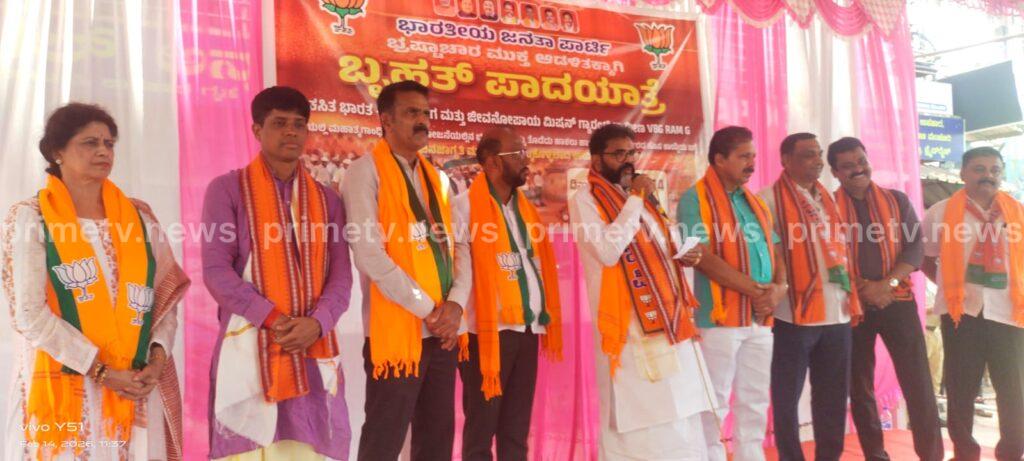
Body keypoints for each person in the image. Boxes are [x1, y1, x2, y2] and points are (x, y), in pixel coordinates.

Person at [2, 103, 187, 460]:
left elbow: (163, 300)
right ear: (57, 152)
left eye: (109, 143)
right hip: (67, 381)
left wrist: (157, 359)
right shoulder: (31, 217)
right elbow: (28, 314)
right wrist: (100, 370)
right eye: (90, 142)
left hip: (134, 382)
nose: (103, 151)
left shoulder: (139, 217)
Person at [203, 86, 352, 460]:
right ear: (257, 130)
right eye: (279, 123)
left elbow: (341, 278)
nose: (291, 132)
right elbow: (216, 271)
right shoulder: (227, 190)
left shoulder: (327, 201)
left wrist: (317, 324)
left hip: (312, 345)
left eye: (299, 124)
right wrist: (275, 320)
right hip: (251, 341)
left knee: (307, 447)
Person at [342, 80, 471, 461]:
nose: (423, 121)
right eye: (412, 112)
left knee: (436, 440)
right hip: (398, 332)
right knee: (384, 439)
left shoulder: (440, 180)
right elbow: (369, 254)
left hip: (442, 333)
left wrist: (456, 305)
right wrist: (430, 310)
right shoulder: (364, 173)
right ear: (386, 120)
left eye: (426, 113)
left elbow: (461, 246)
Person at [569, 123, 715, 460]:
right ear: (596, 159)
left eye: (631, 152)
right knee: (639, 421)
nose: (627, 160)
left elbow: (663, 244)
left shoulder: (641, 196)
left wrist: (684, 253)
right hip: (627, 329)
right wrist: (635, 199)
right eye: (618, 153)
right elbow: (608, 251)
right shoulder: (585, 199)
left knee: (680, 411)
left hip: (668, 320)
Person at [829, 137, 943, 461]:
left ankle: (931, 455)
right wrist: (863, 288)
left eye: (861, 161)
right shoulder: (826, 207)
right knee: (859, 386)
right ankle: (875, 455)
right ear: (835, 172)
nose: (858, 169)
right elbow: (826, 255)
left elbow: (915, 249)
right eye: (848, 166)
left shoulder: (897, 200)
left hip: (898, 300)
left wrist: (886, 284)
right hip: (852, 305)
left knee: (918, 382)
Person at [677, 126, 786, 461]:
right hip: (719, 318)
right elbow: (701, 256)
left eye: (753, 156)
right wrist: (756, 291)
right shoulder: (695, 199)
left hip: (760, 318)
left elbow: (775, 250)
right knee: (714, 401)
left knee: (755, 401)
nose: (751, 163)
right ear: (720, 159)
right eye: (743, 157)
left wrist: (778, 290)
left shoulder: (754, 202)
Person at [454, 126, 563, 460]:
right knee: (481, 431)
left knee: (516, 431)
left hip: (527, 329)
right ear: (492, 163)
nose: (526, 160)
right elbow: (458, 272)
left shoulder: (525, 210)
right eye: (518, 154)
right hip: (485, 334)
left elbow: (534, 265)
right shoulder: (463, 207)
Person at [758, 132, 862, 461]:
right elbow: (768, 254)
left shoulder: (829, 197)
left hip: (837, 312)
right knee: (786, 398)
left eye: (818, 154)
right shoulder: (767, 200)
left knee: (833, 397)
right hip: (793, 315)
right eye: (807, 155)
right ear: (785, 160)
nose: (817, 161)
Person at [922, 146, 1024, 461]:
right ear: (963, 173)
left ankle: (1011, 453)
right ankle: (965, 453)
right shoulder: (940, 213)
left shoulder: (1019, 212)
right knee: (960, 390)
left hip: (1009, 315)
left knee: (1014, 391)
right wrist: (950, 287)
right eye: (979, 169)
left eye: (995, 170)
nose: (988, 176)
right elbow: (925, 257)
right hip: (961, 314)